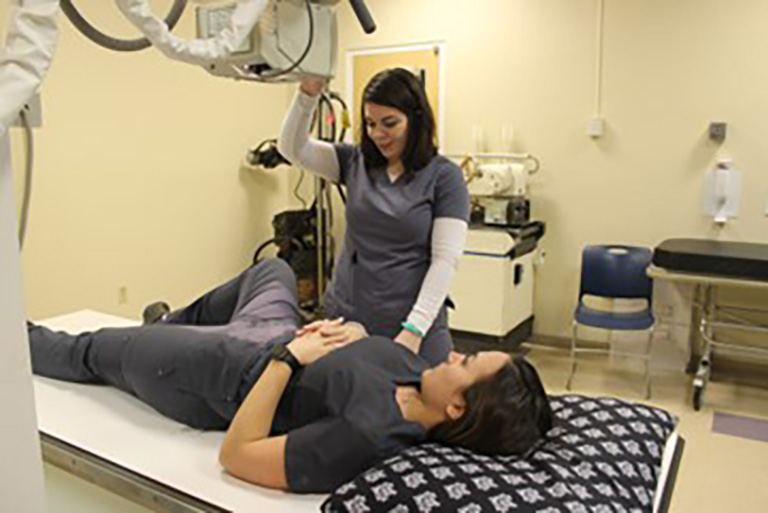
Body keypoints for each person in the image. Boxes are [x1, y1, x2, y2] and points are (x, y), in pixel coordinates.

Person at [28, 259, 552, 494]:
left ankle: (134, 342)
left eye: (466, 366)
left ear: (458, 409)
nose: (455, 353)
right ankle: (166, 327)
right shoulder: (421, 377)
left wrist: (290, 359)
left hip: (226, 373)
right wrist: (351, 329)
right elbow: (369, 352)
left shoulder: (365, 434)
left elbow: (237, 454)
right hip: (277, 331)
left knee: (89, 350)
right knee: (273, 269)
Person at [278, 68, 471, 366]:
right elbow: (293, 149)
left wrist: (414, 329)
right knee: (349, 404)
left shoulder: (444, 177)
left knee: (425, 406)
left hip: (413, 322)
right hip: (348, 316)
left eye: (389, 123)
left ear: (415, 118)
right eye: (370, 123)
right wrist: (307, 94)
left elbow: (445, 260)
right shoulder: (355, 162)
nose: (378, 134)